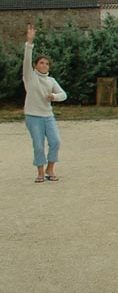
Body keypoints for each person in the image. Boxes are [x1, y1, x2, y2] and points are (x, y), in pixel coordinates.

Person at [22, 24, 67, 183]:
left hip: (48, 116)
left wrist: (54, 96)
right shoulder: (30, 77)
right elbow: (27, 60)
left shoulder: (51, 80)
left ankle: (50, 169)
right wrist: (29, 42)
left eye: (47, 64)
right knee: (39, 145)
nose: (44, 65)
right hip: (33, 116)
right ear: (35, 65)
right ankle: (40, 172)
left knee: (55, 142)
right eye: (41, 63)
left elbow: (63, 95)